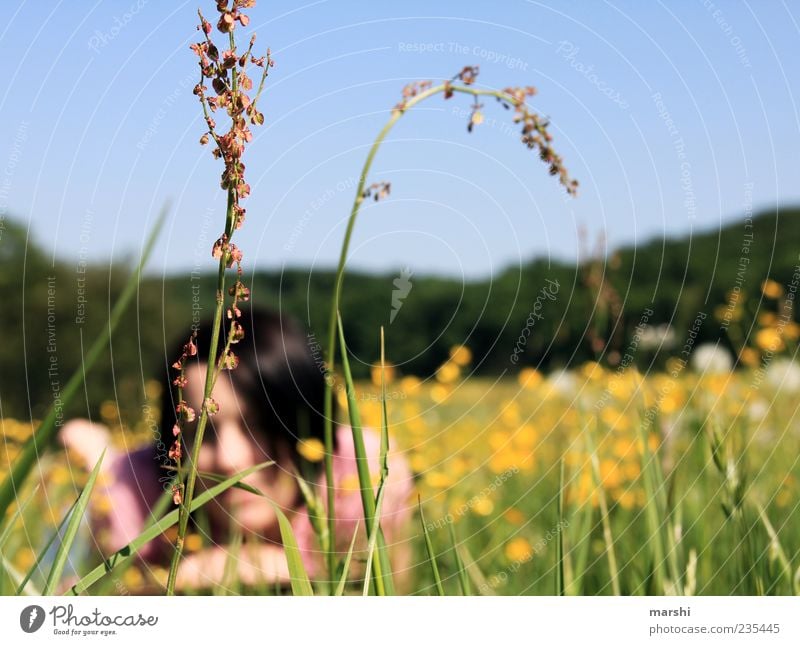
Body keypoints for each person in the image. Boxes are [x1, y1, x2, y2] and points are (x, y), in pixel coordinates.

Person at [60, 306, 414, 591]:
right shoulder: (130, 496)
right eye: (203, 434)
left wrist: (294, 566)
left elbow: (394, 601)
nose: (230, 461)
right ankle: (96, 446)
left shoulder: (365, 479)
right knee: (83, 454)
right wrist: (169, 582)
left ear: (303, 422)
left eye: (256, 426)